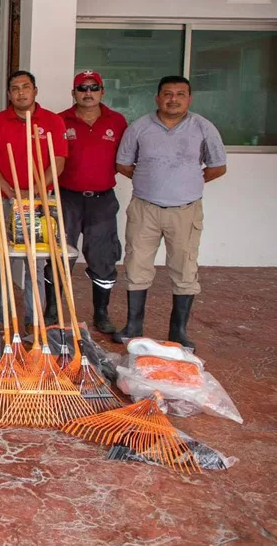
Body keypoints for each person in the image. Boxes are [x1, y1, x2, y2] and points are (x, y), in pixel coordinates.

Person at [114, 76, 226, 351]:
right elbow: (123, 164)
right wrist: (152, 181)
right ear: (157, 98)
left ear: (189, 98)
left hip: (185, 210)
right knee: (136, 264)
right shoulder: (140, 127)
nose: (173, 99)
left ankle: (178, 332)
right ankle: (133, 327)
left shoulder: (203, 127)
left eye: (180, 94)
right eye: (167, 94)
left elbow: (217, 166)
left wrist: (187, 183)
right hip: (145, 209)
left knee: (185, 268)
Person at [0, 70, 68, 335]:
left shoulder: (52, 122)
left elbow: (59, 161)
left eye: (25, 87)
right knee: (2, 258)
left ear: (35, 90)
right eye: (15, 88)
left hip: (39, 201)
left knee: (35, 261)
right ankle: (2, 317)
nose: (20, 92)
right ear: (9, 94)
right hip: (5, 199)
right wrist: (8, 190)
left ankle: (34, 319)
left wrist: (37, 192)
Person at [46, 71, 127, 334]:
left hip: (102, 201)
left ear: (102, 91)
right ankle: (51, 311)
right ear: (74, 93)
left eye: (94, 88)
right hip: (66, 198)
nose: (88, 92)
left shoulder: (117, 121)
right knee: (58, 256)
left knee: (103, 258)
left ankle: (101, 313)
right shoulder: (59, 121)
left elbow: (127, 159)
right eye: (82, 88)